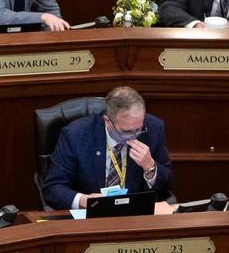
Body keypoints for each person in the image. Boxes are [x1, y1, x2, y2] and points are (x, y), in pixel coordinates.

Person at [43, 86, 173, 208]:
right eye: (126, 131)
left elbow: (168, 185)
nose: (134, 136)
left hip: (136, 215)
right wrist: (84, 200)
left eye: (139, 129)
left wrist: (150, 167)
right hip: (90, 217)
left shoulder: (154, 128)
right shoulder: (75, 135)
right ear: (107, 122)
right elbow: (53, 188)